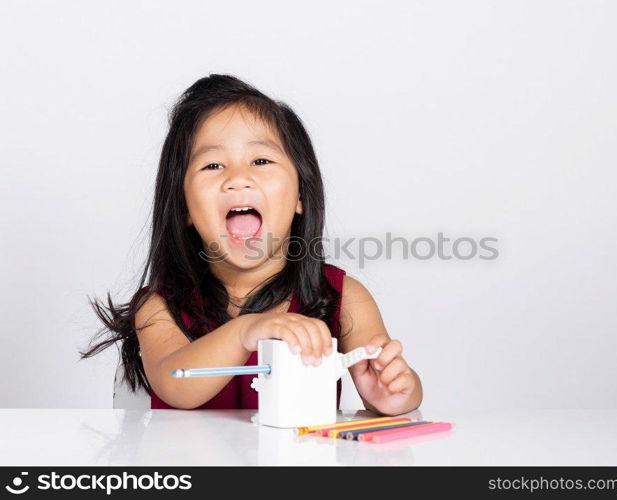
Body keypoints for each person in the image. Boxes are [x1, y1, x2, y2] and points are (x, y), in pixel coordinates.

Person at [80, 74, 422, 415]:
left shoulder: (343, 297)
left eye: (260, 161)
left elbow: (400, 394)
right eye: (212, 165)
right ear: (184, 207)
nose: (238, 178)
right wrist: (246, 331)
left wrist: (393, 394)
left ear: (301, 194)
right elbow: (174, 386)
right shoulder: (158, 306)